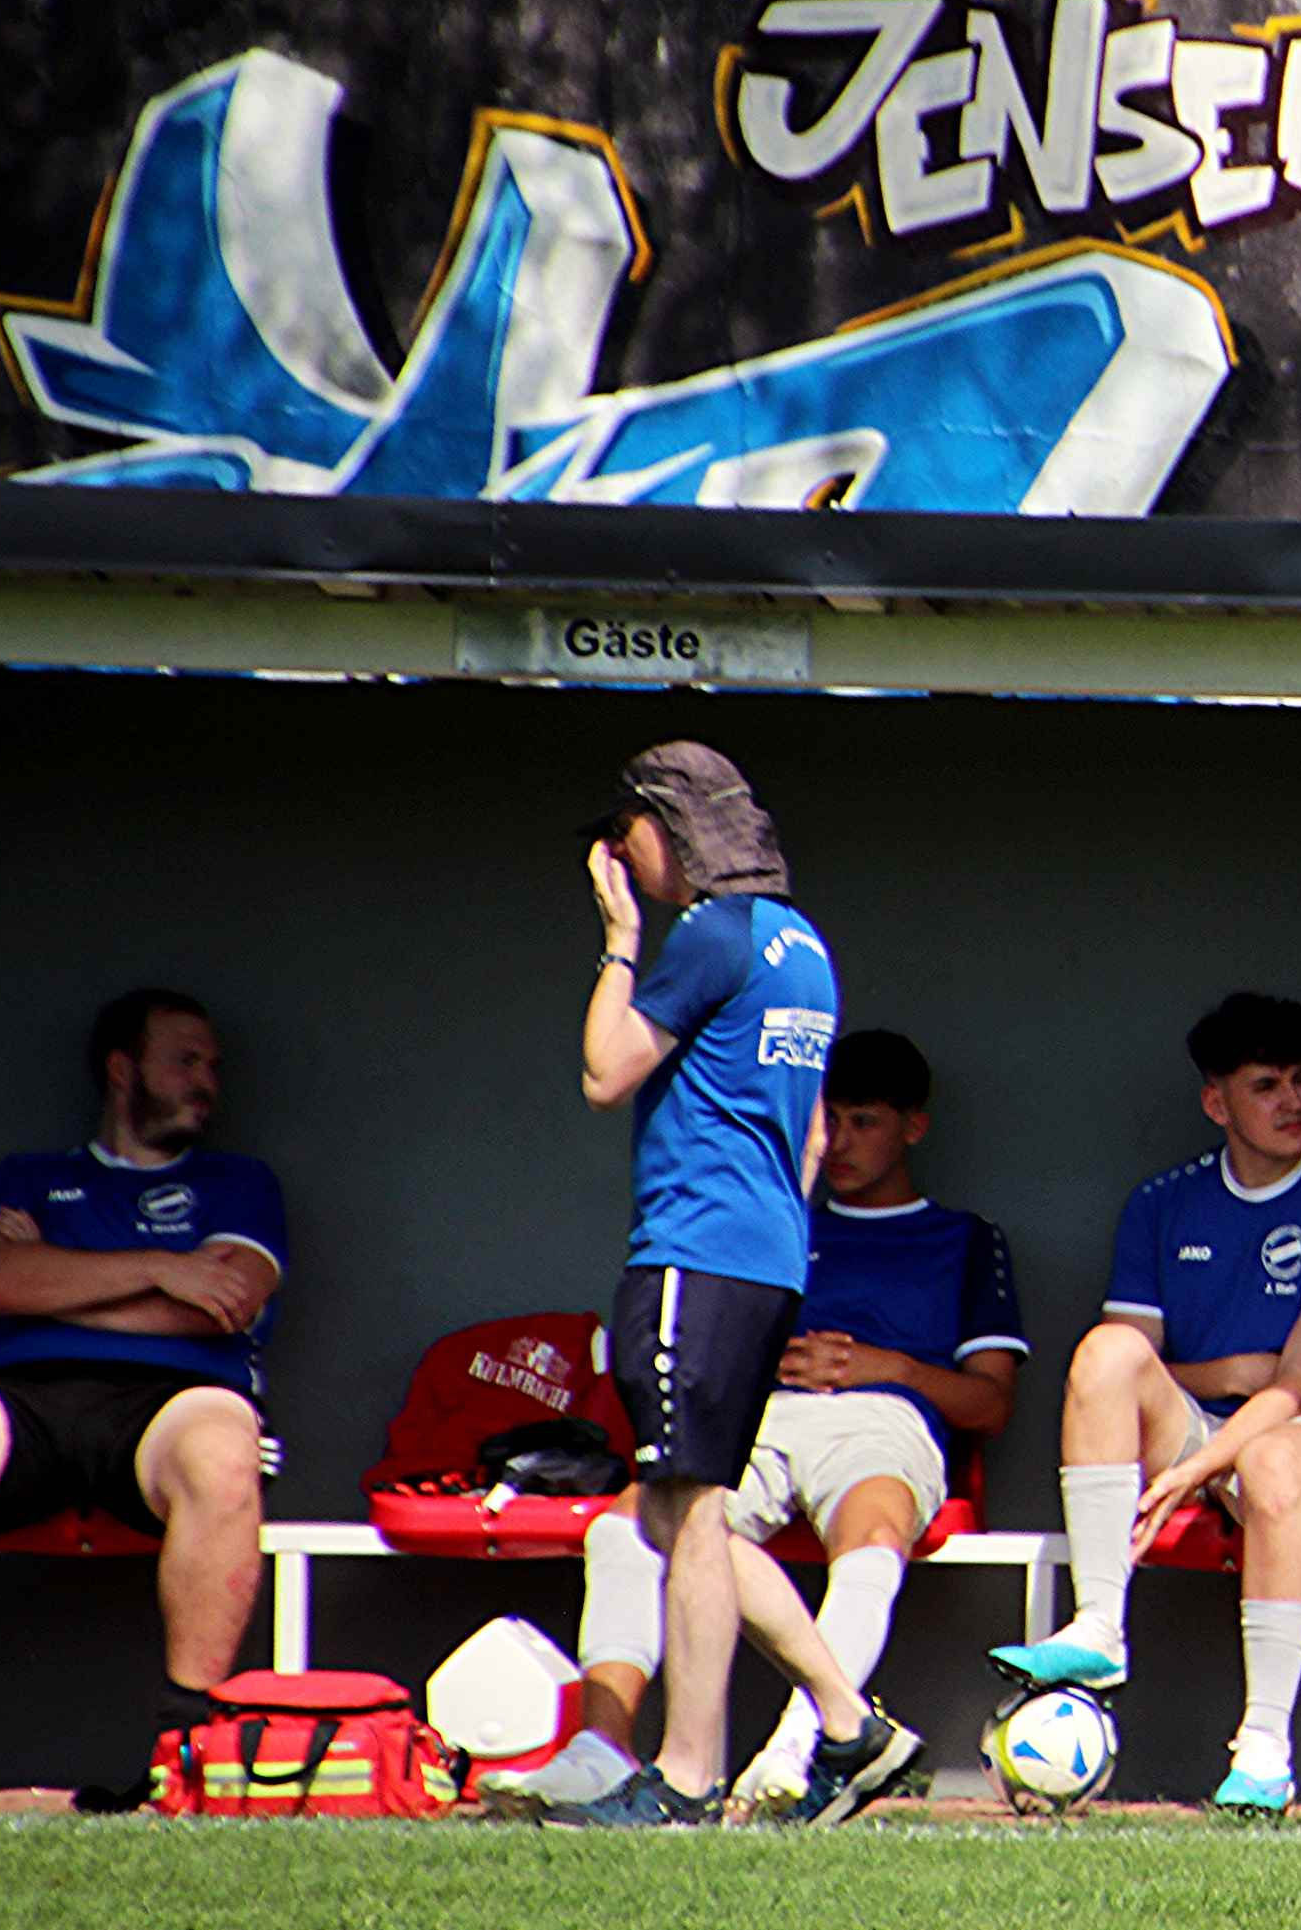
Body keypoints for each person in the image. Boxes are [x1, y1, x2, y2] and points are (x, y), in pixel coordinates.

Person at [484, 1028, 1025, 1818]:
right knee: (630, 1523)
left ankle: (803, 1748)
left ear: (914, 1126)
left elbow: (992, 1401)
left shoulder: (965, 1239)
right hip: (762, 1416)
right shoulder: (780, 1221)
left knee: (873, 1534)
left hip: (885, 1422)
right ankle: (600, 1749)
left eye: (864, 1121)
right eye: (828, 1118)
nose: (839, 1141)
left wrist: (888, 1366)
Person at [555, 741, 919, 1829]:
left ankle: (683, 1775)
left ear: (668, 829)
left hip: (693, 1252)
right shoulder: (803, 946)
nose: (620, 856)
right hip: (763, 1261)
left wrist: (620, 942)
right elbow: (809, 1137)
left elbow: (605, 1071)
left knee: (690, 1508)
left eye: (627, 834)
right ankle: (851, 1725)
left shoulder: (710, 935)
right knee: (686, 1514)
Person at [990, 992, 1301, 1814]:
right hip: (1198, 1422)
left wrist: (1199, 1465)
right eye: (1265, 1085)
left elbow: (1300, 1385)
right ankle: (1099, 1626)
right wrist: (1225, 1374)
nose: (1291, 1100)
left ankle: (1264, 1746)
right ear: (1217, 1103)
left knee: (1271, 1458)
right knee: (1103, 1353)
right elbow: (1139, 1361)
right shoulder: (1162, 1202)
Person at [0, 990, 283, 1810]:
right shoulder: (32, 1176)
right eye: (185, 1061)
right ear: (124, 1070)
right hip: (23, 1399)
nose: (206, 1081)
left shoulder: (238, 1183)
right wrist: (162, 1267)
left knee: (222, 1452)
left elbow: (223, 1302)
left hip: (171, 1401)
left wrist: (50, 1280)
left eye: (212, 1065)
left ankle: (184, 1754)